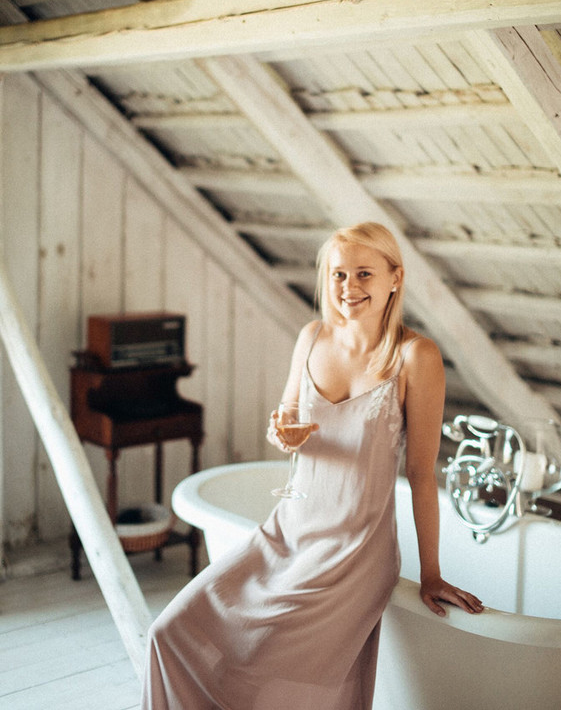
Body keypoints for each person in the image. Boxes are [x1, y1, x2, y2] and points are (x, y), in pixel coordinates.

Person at [141, 221, 483, 710]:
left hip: (353, 555)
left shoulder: (415, 357)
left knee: (258, 682)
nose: (350, 287)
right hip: (286, 536)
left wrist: (431, 573)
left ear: (395, 278)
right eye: (339, 274)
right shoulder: (311, 337)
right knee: (168, 633)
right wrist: (282, 432)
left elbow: (422, 475)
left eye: (364, 273)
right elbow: (285, 423)